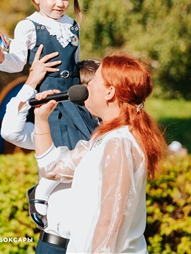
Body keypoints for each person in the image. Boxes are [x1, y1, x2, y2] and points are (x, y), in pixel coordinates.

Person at [0, 0, 98, 225]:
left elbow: (75, 63)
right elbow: (16, 61)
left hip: (73, 98)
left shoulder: (72, 25)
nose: (61, 4)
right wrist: (1, 57)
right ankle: (41, 192)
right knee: (57, 148)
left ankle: (59, 198)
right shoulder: (29, 25)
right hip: (48, 97)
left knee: (84, 150)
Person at [30, 54, 166, 253]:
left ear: (109, 92)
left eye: (94, 80)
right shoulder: (103, 140)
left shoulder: (118, 142)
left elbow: (110, 221)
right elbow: (52, 170)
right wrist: (41, 120)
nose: (87, 86)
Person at [0, 46, 100, 229]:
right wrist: (31, 84)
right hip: (59, 234)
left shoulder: (108, 129)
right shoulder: (54, 127)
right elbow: (10, 131)